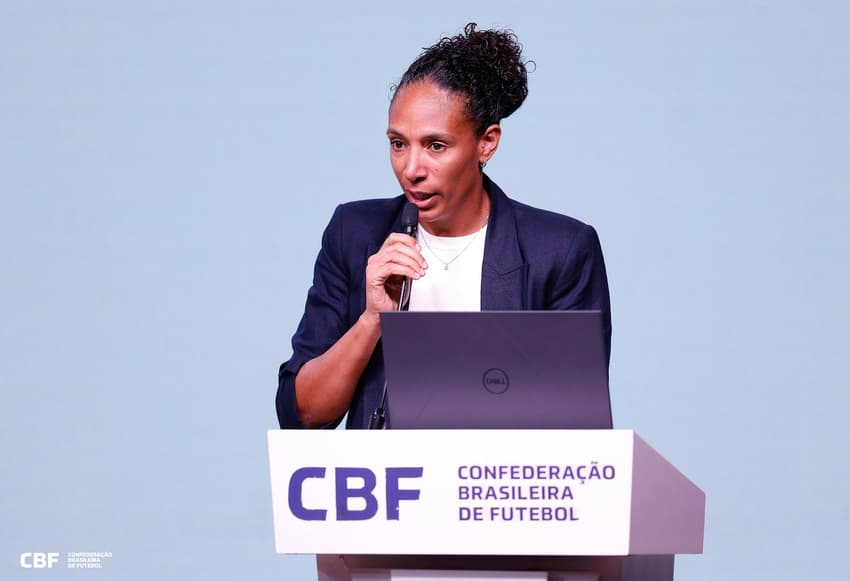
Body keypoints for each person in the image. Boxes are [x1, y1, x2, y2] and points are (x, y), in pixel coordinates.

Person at [277, 23, 611, 429]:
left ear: (486, 143)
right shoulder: (355, 233)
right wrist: (372, 320)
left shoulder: (559, 251)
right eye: (398, 143)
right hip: (389, 488)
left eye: (436, 145)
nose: (411, 169)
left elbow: (578, 425)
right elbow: (303, 415)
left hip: (498, 487)